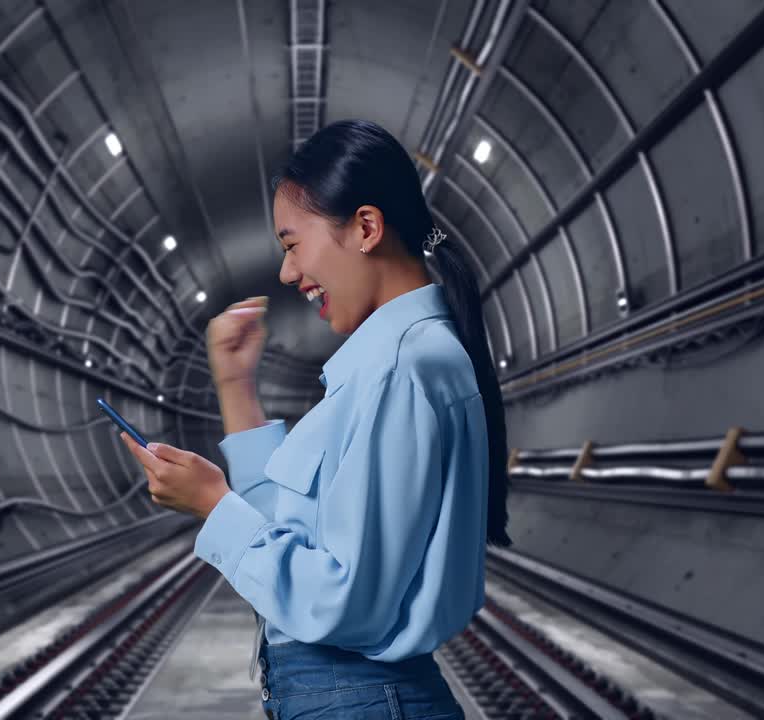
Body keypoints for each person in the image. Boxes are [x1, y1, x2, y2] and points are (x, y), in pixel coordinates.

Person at [118, 119, 510, 720]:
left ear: (366, 228)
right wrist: (234, 383)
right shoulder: (394, 360)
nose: (286, 272)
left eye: (292, 243)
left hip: (359, 700)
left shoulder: (401, 367)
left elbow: (348, 601)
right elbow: (298, 532)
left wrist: (214, 508)